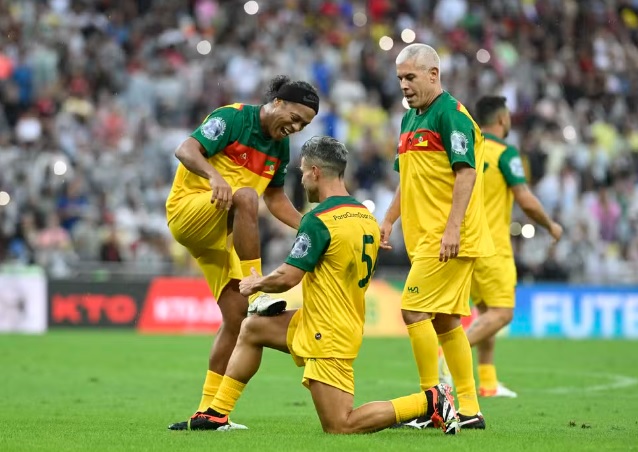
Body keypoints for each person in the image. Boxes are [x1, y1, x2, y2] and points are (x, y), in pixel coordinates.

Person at [169, 136, 459, 434]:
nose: (302, 179)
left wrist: (258, 283)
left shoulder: (319, 220)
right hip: (329, 320)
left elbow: (287, 278)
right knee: (252, 328)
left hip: (327, 334)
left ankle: (431, 401)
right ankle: (216, 413)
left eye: (303, 171)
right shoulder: (364, 216)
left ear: (316, 172)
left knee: (340, 424)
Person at [166, 75, 319, 430]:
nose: (295, 127)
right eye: (294, 117)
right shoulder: (233, 118)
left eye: (303, 125)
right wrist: (214, 177)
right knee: (246, 195)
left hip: (221, 235)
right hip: (189, 212)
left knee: (238, 324)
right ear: (277, 103)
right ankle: (257, 289)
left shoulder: (279, 148)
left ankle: (208, 414)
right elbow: (186, 150)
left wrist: (311, 226)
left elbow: (276, 198)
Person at [380, 44, 494, 430]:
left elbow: (466, 174)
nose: (404, 85)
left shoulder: (452, 115)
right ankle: (469, 408)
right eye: (400, 78)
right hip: (427, 237)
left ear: (433, 74)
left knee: (412, 310)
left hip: (448, 238)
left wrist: (453, 228)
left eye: (410, 77)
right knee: (445, 321)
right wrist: (389, 219)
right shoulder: (409, 119)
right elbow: (406, 178)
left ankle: (432, 402)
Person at [438, 96, 563, 397]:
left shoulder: (467, 147)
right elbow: (524, 198)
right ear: (503, 120)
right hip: (494, 247)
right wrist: (550, 224)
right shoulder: (506, 153)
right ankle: (449, 358)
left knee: (486, 314)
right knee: (503, 313)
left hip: (466, 241)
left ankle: (489, 383)